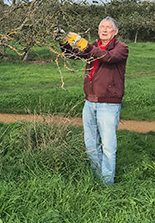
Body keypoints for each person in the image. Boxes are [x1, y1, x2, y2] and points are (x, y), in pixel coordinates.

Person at [55, 17, 129, 186]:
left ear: (115, 32)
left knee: (108, 146)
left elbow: (108, 57)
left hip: (109, 104)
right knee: (90, 145)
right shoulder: (94, 47)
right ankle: (97, 178)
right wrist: (64, 42)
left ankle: (107, 183)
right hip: (90, 102)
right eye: (102, 26)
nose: (104, 29)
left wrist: (85, 45)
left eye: (108, 27)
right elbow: (73, 54)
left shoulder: (121, 48)